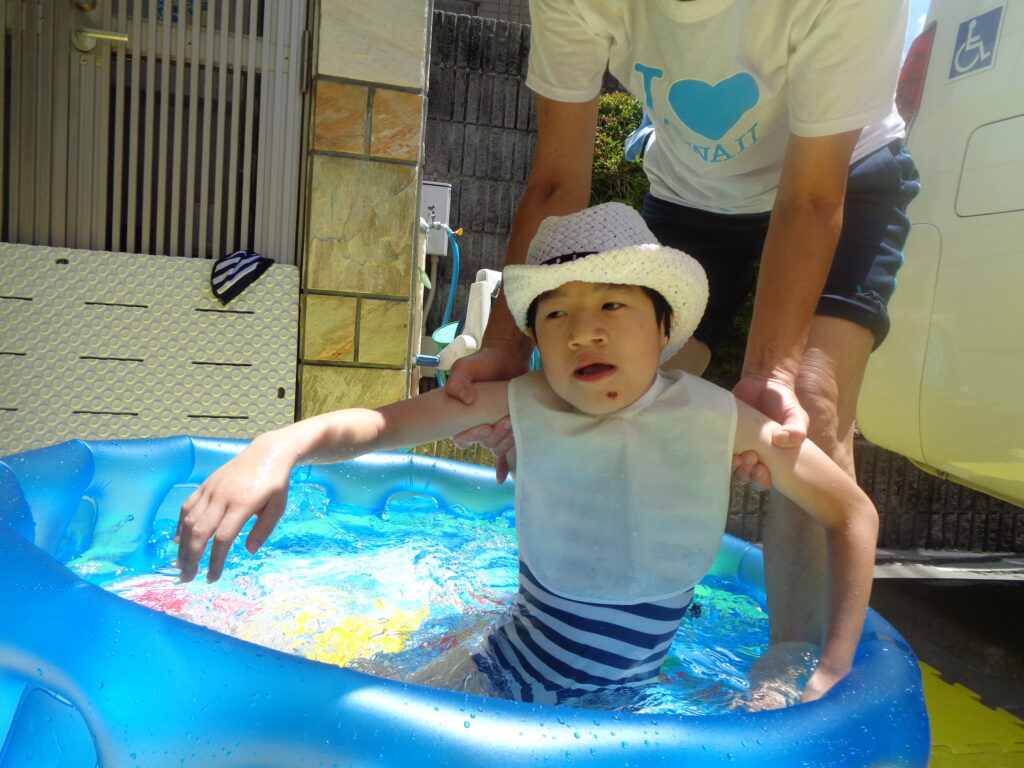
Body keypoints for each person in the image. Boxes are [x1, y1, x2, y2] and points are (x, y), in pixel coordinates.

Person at [176, 203, 878, 707]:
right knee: (331, 718)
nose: (583, 332)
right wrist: (279, 447)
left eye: (612, 306)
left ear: (664, 327)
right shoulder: (523, 402)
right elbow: (379, 426)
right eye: (557, 313)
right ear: (537, 340)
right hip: (497, 679)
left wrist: (835, 664)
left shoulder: (719, 420)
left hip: (627, 700)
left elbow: (851, 513)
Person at [444, 0, 920, 662]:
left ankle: (795, 666)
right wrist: (505, 344)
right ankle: (567, 616)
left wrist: (772, 372)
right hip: (693, 197)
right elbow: (556, 181)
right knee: (620, 394)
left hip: (843, 180)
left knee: (807, 407)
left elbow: (811, 199)